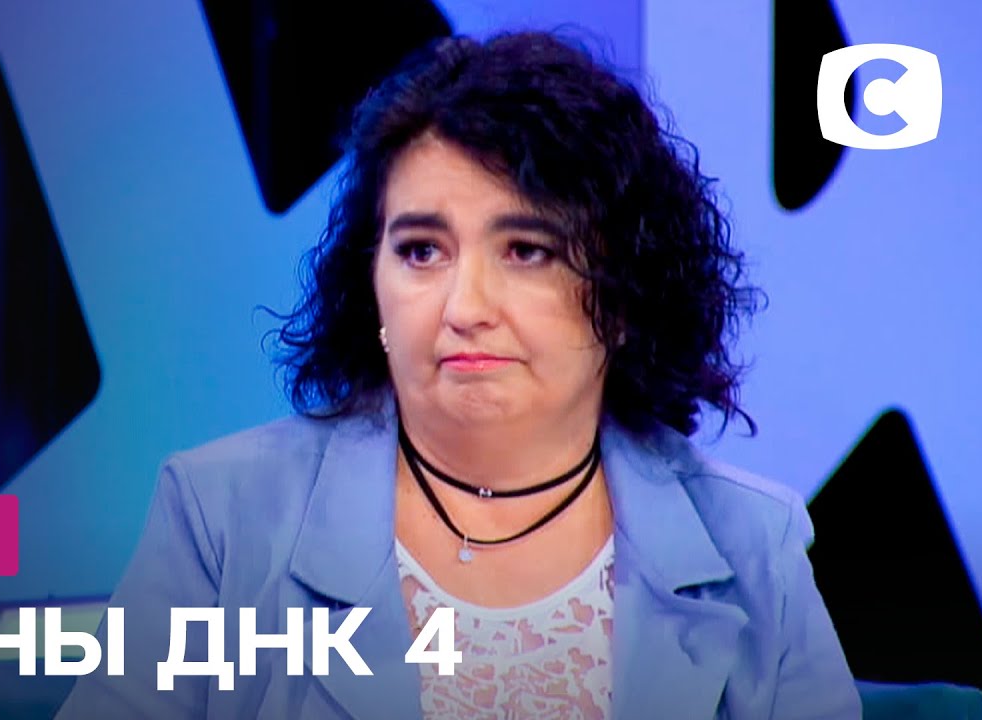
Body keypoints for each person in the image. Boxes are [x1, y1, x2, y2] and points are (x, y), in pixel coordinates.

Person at [55, 29, 861, 720]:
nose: (465, 307)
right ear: (369, 283)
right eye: (421, 251)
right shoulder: (222, 517)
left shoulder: (753, 546)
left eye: (527, 251)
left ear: (623, 296)